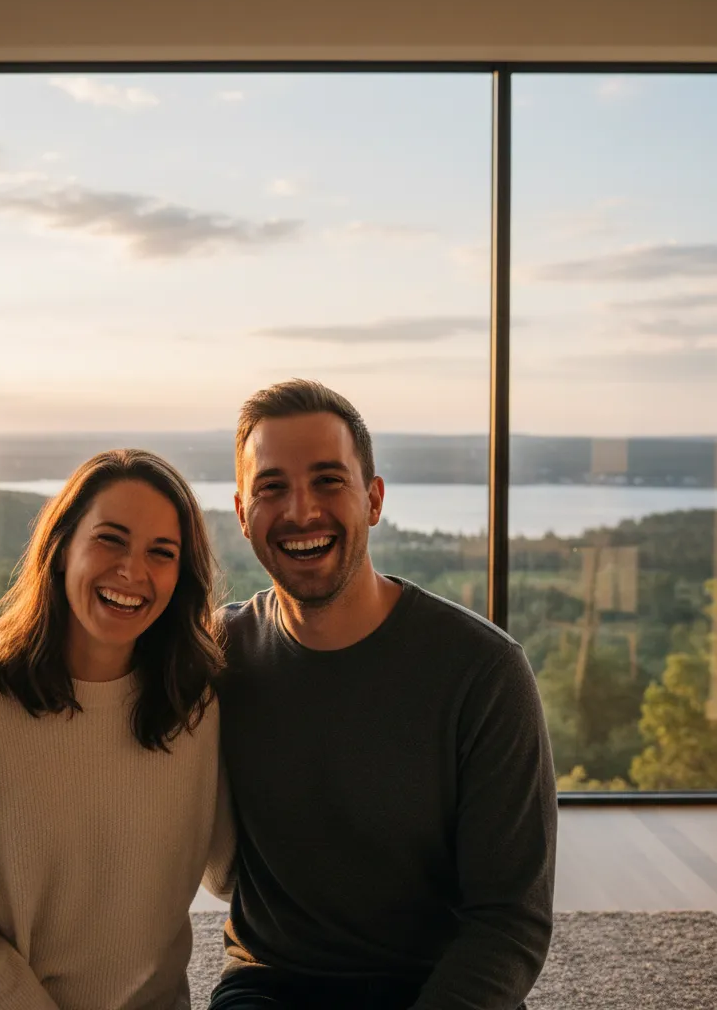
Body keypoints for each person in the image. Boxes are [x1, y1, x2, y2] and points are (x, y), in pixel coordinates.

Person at [208, 380, 557, 1010]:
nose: (301, 510)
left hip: (439, 984)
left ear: (373, 500)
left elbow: (511, 920)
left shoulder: (483, 670)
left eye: (328, 481)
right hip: (272, 982)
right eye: (272, 487)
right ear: (242, 514)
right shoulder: (217, 655)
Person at [0, 449, 235, 1010]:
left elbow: (232, 871)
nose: (133, 570)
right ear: (60, 548)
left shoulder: (195, 705)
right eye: (111, 539)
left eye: (161, 553)